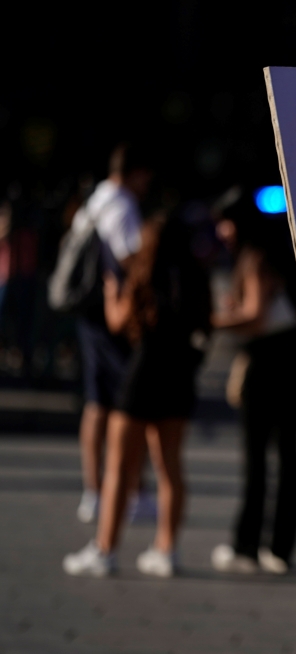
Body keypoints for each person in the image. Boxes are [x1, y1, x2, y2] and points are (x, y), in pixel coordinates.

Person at [63, 213, 212, 577]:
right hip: (179, 378)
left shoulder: (143, 275)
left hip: (142, 375)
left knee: (117, 467)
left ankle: (105, 549)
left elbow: (118, 321)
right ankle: (166, 549)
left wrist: (113, 293)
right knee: (170, 467)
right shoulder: (196, 280)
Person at [210, 192, 296, 575]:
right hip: (291, 355)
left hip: (268, 357)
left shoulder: (254, 258)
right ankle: (280, 548)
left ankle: (246, 544)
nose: (221, 231)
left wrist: (211, 321)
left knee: (257, 455)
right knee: (287, 452)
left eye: (224, 221)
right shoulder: (272, 253)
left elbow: (253, 316)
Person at [68, 143, 151, 524]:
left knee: (96, 402)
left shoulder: (95, 200)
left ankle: (93, 490)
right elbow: (129, 257)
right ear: (135, 173)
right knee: (127, 403)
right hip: (112, 314)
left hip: (89, 315)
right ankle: (132, 489)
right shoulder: (122, 205)